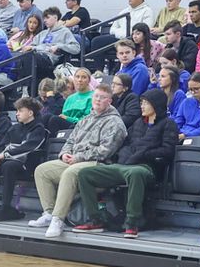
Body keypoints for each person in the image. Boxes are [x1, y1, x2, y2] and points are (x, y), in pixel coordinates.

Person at [73, 88, 181, 237]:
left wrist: (143, 154)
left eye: (146, 103)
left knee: (135, 173)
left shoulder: (168, 124)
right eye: (141, 102)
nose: (142, 106)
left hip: (146, 167)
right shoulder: (137, 123)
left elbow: (168, 151)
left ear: (156, 104)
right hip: (125, 164)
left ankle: (131, 223)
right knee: (85, 174)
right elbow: (125, 145)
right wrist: (126, 155)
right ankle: (96, 219)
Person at [30, 85, 126, 238]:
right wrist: (64, 154)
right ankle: (49, 213)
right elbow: (70, 141)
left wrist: (78, 158)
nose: (98, 100)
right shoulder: (86, 119)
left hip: (99, 165)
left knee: (70, 173)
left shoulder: (115, 123)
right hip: (75, 160)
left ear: (110, 101)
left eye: (102, 98)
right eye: (96, 96)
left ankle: (58, 219)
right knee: (42, 170)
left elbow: (105, 151)